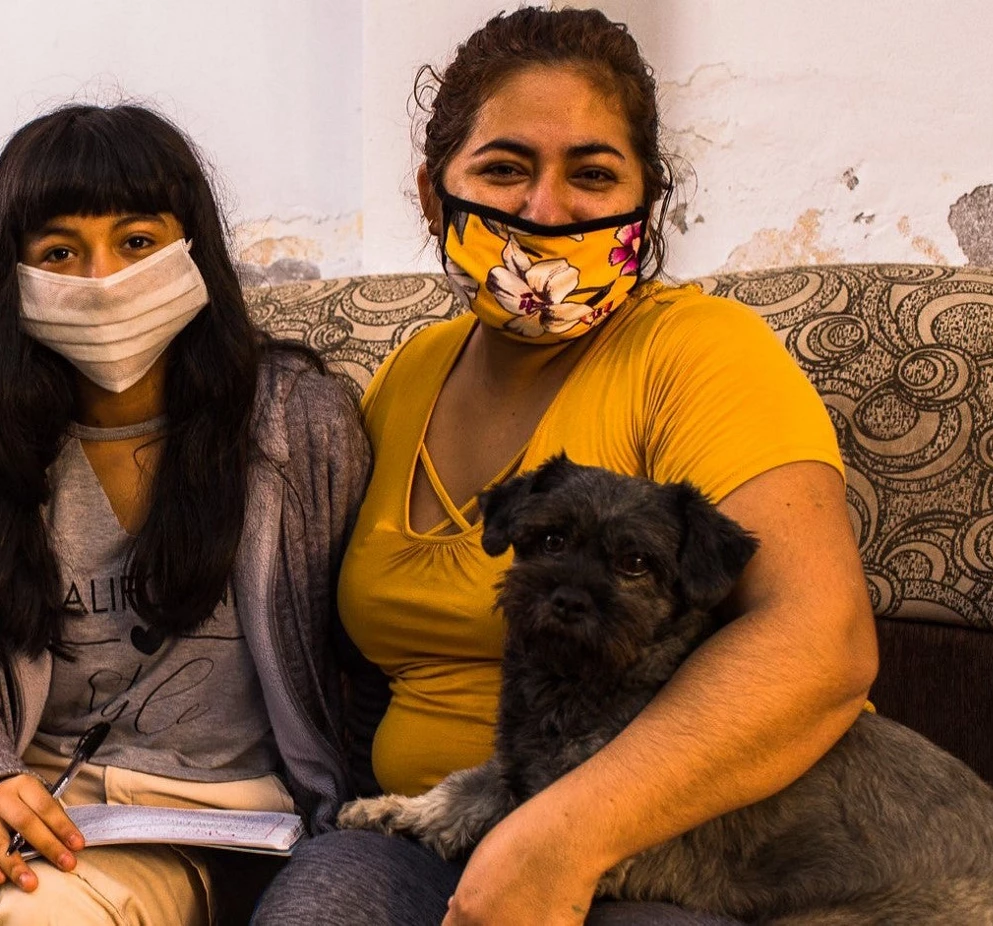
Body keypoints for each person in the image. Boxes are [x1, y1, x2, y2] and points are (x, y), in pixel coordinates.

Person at [254, 9, 877, 926]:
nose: (546, 212)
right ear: (432, 194)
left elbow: (821, 643)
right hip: (428, 833)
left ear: (648, 201)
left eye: (592, 174)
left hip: (661, 846)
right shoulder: (406, 375)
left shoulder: (703, 354)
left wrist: (562, 838)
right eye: (504, 168)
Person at [0, 104, 370, 926]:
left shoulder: (299, 425)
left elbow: (360, 649)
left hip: (215, 816)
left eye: (138, 242)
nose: (102, 277)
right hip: (34, 792)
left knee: (46, 917)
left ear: (193, 251)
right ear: (14, 278)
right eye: (59, 253)